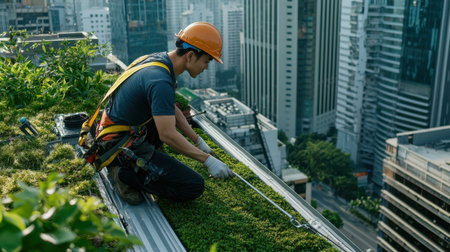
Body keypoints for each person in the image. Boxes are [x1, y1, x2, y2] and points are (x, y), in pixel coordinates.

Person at [97, 22, 234, 205]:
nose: (206, 68)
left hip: (118, 132)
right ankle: (125, 174)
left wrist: (197, 141)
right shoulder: (160, 80)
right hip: (120, 146)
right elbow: (168, 135)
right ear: (191, 55)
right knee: (193, 185)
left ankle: (142, 163)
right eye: (206, 61)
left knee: (163, 122)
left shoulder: (159, 61)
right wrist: (207, 160)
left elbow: (169, 107)